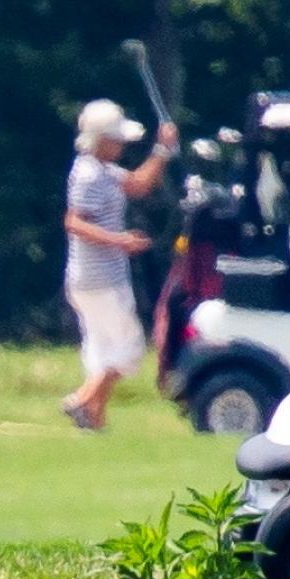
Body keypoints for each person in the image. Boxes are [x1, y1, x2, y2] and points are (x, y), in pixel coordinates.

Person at [60, 100, 177, 430]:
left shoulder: (104, 171)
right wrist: (119, 240)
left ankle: (93, 420)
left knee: (100, 348)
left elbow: (139, 184)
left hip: (93, 278)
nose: (122, 145)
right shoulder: (87, 174)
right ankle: (81, 398)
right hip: (100, 278)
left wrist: (162, 150)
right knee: (129, 347)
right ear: (101, 139)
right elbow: (74, 222)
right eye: (117, 139)